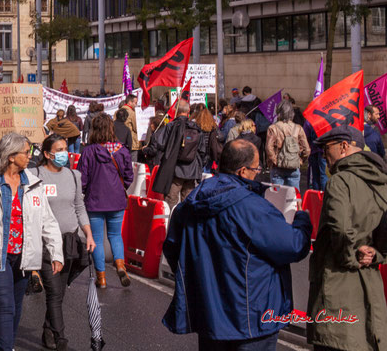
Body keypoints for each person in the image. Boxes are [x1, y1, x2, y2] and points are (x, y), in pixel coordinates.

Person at [162, 139, 312, 350]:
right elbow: (294, 245)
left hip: (211, 314)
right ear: (243, 171)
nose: (258, 173)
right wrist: (302, 221)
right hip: (249, 317)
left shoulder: (190, 203)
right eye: (256, 168)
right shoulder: (251, 207)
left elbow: (173, 248)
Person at [0, 133, 64, 351]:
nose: (30, 156)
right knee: (5, 306)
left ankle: (8, 345)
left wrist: (56, 253)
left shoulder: (34, 184)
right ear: (10, 156)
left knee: (15, 307)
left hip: (25, 257)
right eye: (26, 152)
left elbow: (48, 221)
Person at [308, 125, 387, 351]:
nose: (324, 155)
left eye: (327, 148)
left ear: (344, 147)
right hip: (371, 286)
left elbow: (340, 229)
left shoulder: (340, 181)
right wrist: (375, 255)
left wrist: (352, 257)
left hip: (337, 285)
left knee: (336, 342)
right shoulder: (381, 180)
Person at [32, 134, 95, 350]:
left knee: (60, 291)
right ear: (48, 154)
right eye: (58, 150)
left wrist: (88, 233)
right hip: (46, 243)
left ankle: (48, 330)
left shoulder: (74, 175)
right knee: (54, 291)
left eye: (65, 148)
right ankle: (61, 337)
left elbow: (79, 207)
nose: (64, 153)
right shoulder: (35, 174)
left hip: (69, 242)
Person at [77, 113, 134, 288]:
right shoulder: (121, 150)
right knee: (115, 236)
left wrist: (86, 191)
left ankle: (101, 277)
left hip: (95, 201)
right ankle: (120, 265)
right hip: (116, 200)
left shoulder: (87, 152)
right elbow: (129, 176)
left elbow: (82, 179)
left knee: (96, 239)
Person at [151, 100, 207, 209]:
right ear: (188, 111)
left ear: (175, 111)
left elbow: (160, 143)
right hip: (192, 170)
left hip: (175, 169)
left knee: (170, 201)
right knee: (188, 201)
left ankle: (170, 223)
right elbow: (202, 150)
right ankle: (186, 224)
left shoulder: (171, 126)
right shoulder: (196, 128)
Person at [265, 100, 310, 189]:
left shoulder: (273, 128)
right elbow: (307, 150)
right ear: (292, 113)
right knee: (293, 198)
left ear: (279, 113)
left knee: (276, 198)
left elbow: (269, 148)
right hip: (293, 166)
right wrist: (300, 161)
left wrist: (275, 161)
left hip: (278, 167)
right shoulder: (298, 128)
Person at [192, 107, 222, 174]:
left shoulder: (196, 126)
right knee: (207, 173)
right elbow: (221, 137)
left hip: (199, 151)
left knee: (200, 171)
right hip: (210, 153)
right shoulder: (213, 127)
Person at [304, 121, 328, 191]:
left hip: (313, 150)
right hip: (324, 151)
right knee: (324, 175)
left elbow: (306, 135)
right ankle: (324, 197)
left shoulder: (309, 120)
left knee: (315, 176)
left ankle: (316, 197)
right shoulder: (327, 118)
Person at [120, 94, 141, 161]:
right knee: (133, 163)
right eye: (135, 103)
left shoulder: (117, 112)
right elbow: (136, 127)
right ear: (130, 102)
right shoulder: (132, 113)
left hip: (120, 141)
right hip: (132, 142)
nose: (136, 104)